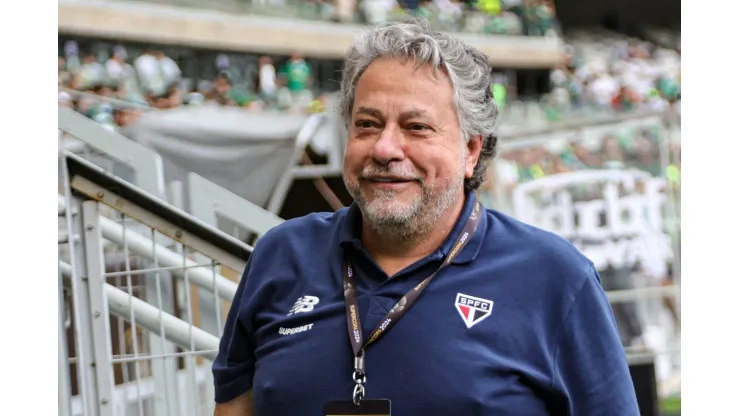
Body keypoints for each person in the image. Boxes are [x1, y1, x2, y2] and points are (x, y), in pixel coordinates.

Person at [213, 18, 639, 416]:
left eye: (417, 127)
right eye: (367, 124)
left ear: (470, 151)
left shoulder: (555, 277)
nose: (384, 148)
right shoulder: (280, 254)